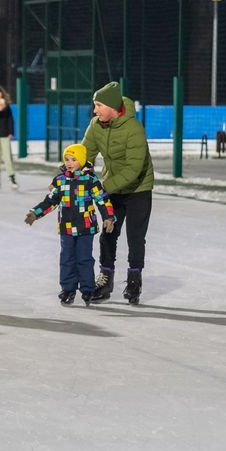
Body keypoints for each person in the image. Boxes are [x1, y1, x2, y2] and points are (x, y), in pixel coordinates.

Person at [81, 81, 154, 305]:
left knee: (135, 237)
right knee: (108, 233)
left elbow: (133, 169)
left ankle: (134, 280)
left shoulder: (134, 129)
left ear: (112, 107)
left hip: (138, 188)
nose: (95, 110)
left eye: (98, 105)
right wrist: (78, 169)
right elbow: (87, 152)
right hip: (113, 187)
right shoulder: (96, 125)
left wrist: (103, 187)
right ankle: (105, 280)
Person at [24, 143, 115, 306]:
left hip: (86, 227)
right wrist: (35, 213)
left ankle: (87, 289)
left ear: (81, 160)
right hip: (66, 228)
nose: (69, 162)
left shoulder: (90, 180)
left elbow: (102, 200)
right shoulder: (60, 181)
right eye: (67, 159)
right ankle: (68, 289)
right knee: (66, 259)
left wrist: (108, 217)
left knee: (84, 259)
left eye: (73, 159)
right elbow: (51, 201)